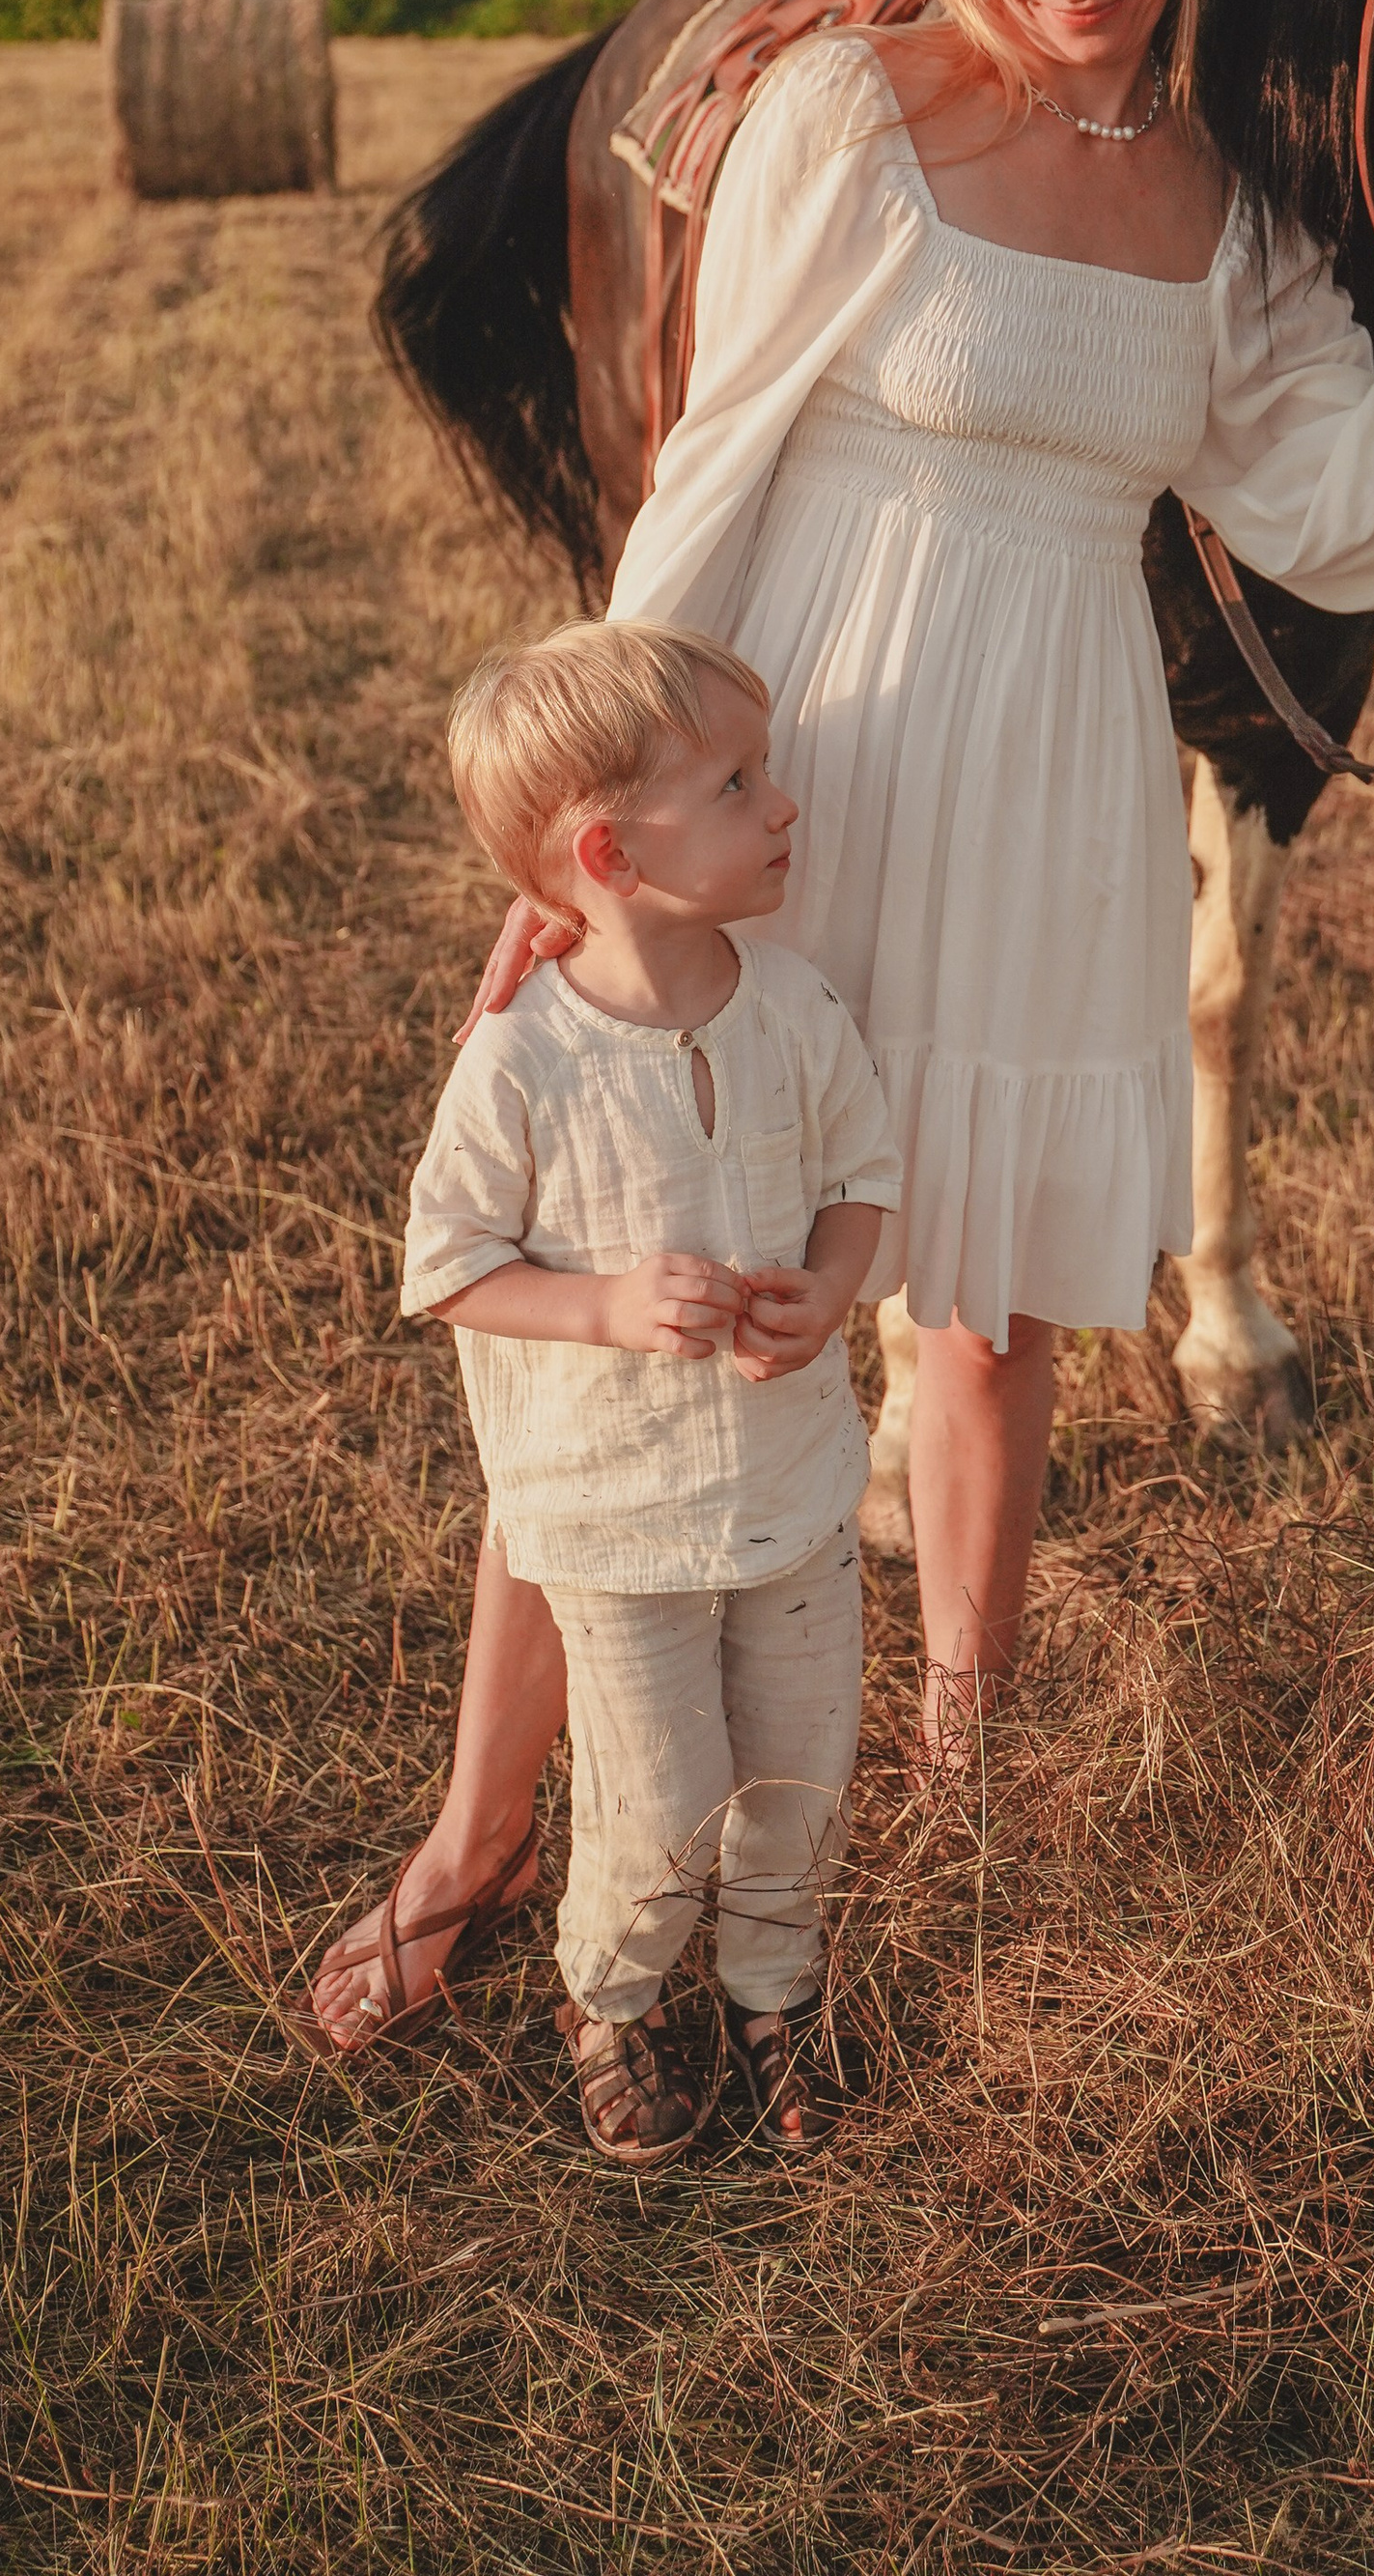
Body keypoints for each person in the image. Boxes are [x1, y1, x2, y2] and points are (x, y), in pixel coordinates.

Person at [304, 0, 1374, 2052]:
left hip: (1057, 772)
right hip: (802, 753)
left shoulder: (1225, 203)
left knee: (977, 1315)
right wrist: (586, 858)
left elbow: (1309, 482)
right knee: (654, 1342)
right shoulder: (846, 116)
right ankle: (468, 1850)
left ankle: (945, 1827)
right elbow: (711, 469)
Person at [313, 616, 899, 2161]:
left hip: (789, 1494)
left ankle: (775, 1988)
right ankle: (613, 1998)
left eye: (762, 774)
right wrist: (605, 1304)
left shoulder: (794, 1008)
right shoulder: (524, 1059)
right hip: (615, 1521)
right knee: (661, 1796)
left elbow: (864, 1181)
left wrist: (831, 1288)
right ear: (610, 854)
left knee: (796, 1769)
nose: (784, 807)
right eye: (737, 784)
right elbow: (445, 1266)